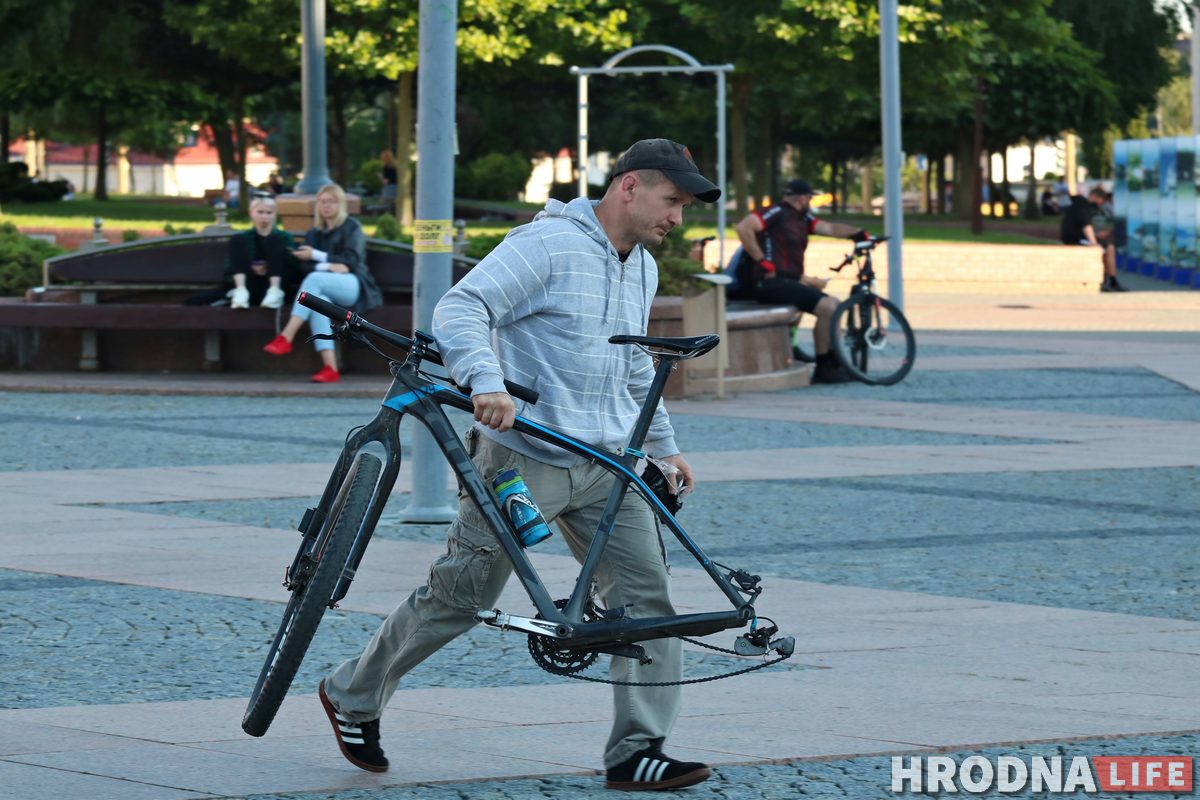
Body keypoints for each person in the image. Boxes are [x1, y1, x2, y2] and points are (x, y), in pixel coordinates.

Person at [317, 138, 717, 791]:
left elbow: (635, 364)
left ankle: (636, 751)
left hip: (606, 464)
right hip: (521, 457)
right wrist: (486, 380)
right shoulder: (549, 246)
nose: (678, 216)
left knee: (647, 600)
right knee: (464, 594)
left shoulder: (639, 262)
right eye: (672, 200)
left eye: (684, 206)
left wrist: (664, 445)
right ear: (629, 187)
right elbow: (461, 307)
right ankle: (353, 694)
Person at [733, 178, 871, 384]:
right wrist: (762, 261)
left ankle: (833, 361)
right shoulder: (776, 212)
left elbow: (830, 229)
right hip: (769, 282)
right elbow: (744, 228)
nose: (811, 202)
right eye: (810, 198)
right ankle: (824, 366)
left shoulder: (803, 218)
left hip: (788, 281)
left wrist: (857, 233)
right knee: (827, 308)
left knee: (834, 304)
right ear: (802, 198)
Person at [262, 183, 382, 382]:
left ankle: (287, 335)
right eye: (322, 201)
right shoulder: (315, 233)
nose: (326, 206)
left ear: (341, 204)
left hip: (354, 286)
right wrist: (329, 266)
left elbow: (350, 263)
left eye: (331, 201)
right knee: (319, 304)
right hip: (325, 285)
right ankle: (330, 368)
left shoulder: (351, 227)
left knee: (315, 280)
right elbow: (305, 267)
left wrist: (317, 257)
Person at [184, 194, 297, 309]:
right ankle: (240, 291)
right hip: (249, 285)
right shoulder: (244, 238)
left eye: (269, 213)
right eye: (260, 212)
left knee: (274, 240)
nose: (264, 217)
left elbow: (292, 267)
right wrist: (250, 268)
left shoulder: (284, 237)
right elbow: (230, 270)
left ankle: (274, 292)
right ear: (251, 213)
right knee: (194, 300)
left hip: (277, 287)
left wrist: (269, 268)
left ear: (274, 215)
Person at [1060, 190, 1127, 292]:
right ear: (1094, 197)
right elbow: (1085, 224)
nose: (1100, 204)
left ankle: (1108, 280)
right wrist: (1094, 242)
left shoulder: (1080, 205)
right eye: (1100, 201)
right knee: (1105, 249)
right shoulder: (1082, 206)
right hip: (1075, 238)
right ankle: (1109, 281)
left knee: (1108, 247)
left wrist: (1096, 236)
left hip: (1079, 237)